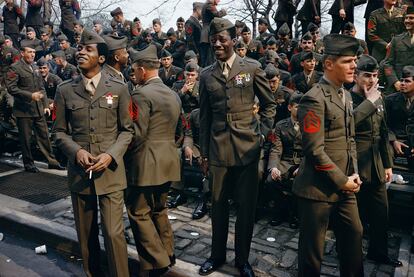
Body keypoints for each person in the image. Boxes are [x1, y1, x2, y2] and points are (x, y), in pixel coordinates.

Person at [198, 18, 276, 277]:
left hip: (247, 147)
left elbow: (270, 105)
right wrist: (205, 154)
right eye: (214, 39)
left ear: (234, 40)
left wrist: (262, 135)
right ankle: (216, 256)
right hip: (219, 147)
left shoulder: (251, 68)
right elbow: (205, 117)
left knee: (246, 206)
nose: (217, 43)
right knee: (218, 204)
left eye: (222, 39)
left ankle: (243, 260)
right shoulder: (206, 74)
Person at [52, 29, 133, 277]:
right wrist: (76, 152)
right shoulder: (65, 90)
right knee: (85, 234)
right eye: (80, 48)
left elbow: (127, 131)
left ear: (101, 58)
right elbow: (58, 133)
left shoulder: (119, 88)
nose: (81, 52)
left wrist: (110, 155)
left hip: (110, 171)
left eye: (88, 49)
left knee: (112, 232)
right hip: (79, 173)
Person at [293, 34, 364, 276]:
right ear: (329, 64)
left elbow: (349, 138)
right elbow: (314, 150)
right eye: (348, 61)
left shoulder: (345, 95)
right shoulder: (314, 99)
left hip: (344, 185)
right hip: (317, 189)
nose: (354, 66)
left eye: (355, 60)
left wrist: (352, 173)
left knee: (354, 235)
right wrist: (341, 179)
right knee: (313, 254)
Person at [126, 45, 181, 276]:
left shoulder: (140, 94)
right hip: (169, 160)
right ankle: (168, 253)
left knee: (138, 212)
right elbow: (179, 131)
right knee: (159, 209)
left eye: (134, 70)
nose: (133, 74)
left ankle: (157, 262)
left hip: (146, 163)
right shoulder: (173, 94)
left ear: (141, 70)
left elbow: (136, 134)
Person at [351, 54, 402, 267]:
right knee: (355, 215)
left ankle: (378, 252)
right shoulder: (346, 99)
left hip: (376, 163)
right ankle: (350, 253)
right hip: (356, 162)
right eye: (366, 76)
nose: (371, 81)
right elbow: (348, 125)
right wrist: (369, 103)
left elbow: (382, 132)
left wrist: (388, 164)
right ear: (355, 76)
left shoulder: (378, 97)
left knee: (381, 212)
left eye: (374, 76)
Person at [5, 40, 62, 172]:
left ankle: (52, 161)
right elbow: (11, 88)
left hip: (38, 109)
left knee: (44, 136)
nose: (32, 55)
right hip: (23, 110)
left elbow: (41, 88)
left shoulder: (35, 67)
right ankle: (28, 163)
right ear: (22, 53)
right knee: (26, 139)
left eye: (34, 52)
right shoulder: (15, 68)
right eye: (29, 52)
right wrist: (30, 96)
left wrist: (46, 104)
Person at [265, 92, 303, 228]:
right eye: (298, 107)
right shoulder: (281, 126)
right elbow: (276, 148)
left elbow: (312, 150)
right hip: (285, 161)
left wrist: (302, 167)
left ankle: (295, 214)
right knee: (271, 180)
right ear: (290, 108)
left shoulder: (311, 125)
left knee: (300, 181)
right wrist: (274, 167)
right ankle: (280, 211)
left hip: (302, 162)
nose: (301, 110)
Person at [385, 66, 414, 171]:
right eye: (401, 80)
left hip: (412, 141)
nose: (402, 83)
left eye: (407, 81)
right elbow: (384, 123)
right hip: (395, 140)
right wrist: (393, 140)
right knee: (386, 151)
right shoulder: (390, 100)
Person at [383, 6, 414, 93]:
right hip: (398, 89)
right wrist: (395, 82)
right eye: (406, 18)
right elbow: (387, 64)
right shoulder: (396, 40)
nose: (407, 21)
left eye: (411, 18)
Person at [200, 0, 226, 67]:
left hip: (206, 35)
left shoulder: (207, 4)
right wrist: (223, 11)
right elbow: (217, 15)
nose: (219, 1)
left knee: (207, 59)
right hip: (208, 35)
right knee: (210, 60)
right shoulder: (209, 4)